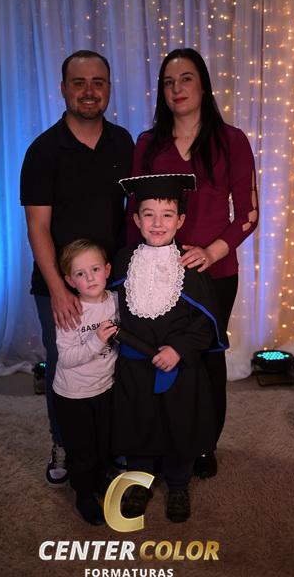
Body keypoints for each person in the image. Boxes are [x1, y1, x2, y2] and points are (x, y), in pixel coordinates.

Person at [126, 48, 258, 478]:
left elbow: (249, 214)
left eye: (186, 79)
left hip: (213, 274)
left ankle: (204, 444)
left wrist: (212, 251)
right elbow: (132, 212)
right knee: (158, 355)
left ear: (203, 86)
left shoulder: (231, 141)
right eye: (168, 82)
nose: (177, 88)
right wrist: (128, 269)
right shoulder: (148, 145)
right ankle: (160, 441)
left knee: (204, 358)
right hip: (155, 271)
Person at [20, 50, 133, 487]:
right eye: (79, 82)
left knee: (113, 360)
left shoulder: (123, 143)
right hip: (60, 284)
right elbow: (37, 227)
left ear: (109, 88)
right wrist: (58, 289)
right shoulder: (43, 151)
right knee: (65, 366)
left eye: (98, 82)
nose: (89, 91)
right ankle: (63, 442)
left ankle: (109, 443)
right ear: (63, 88)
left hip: (112, 282)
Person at [111, 173, 228, 523]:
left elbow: (205, 322)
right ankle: (139, 483)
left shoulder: (191, 265)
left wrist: (178, 350)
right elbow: (108, 304)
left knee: (180, 424)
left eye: (167, 215)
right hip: (134, 366)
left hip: (179, 367)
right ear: (136, 220)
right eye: (148, 214)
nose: (157, 223)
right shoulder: (123, 260)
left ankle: (178, 484)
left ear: (180, 220)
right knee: (138, 424)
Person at [53, 239, 118, 525]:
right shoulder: (70, 310)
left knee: (104, 443)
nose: (90, 278)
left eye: (95, 269)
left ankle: (100, 480)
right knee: (82, 450)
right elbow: (66, 359)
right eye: (80, 273)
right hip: (73, 395)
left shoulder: (115, 301)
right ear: (70, 280)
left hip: (105, 387)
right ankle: (83, 496)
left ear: (107, 270)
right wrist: (96, 340)